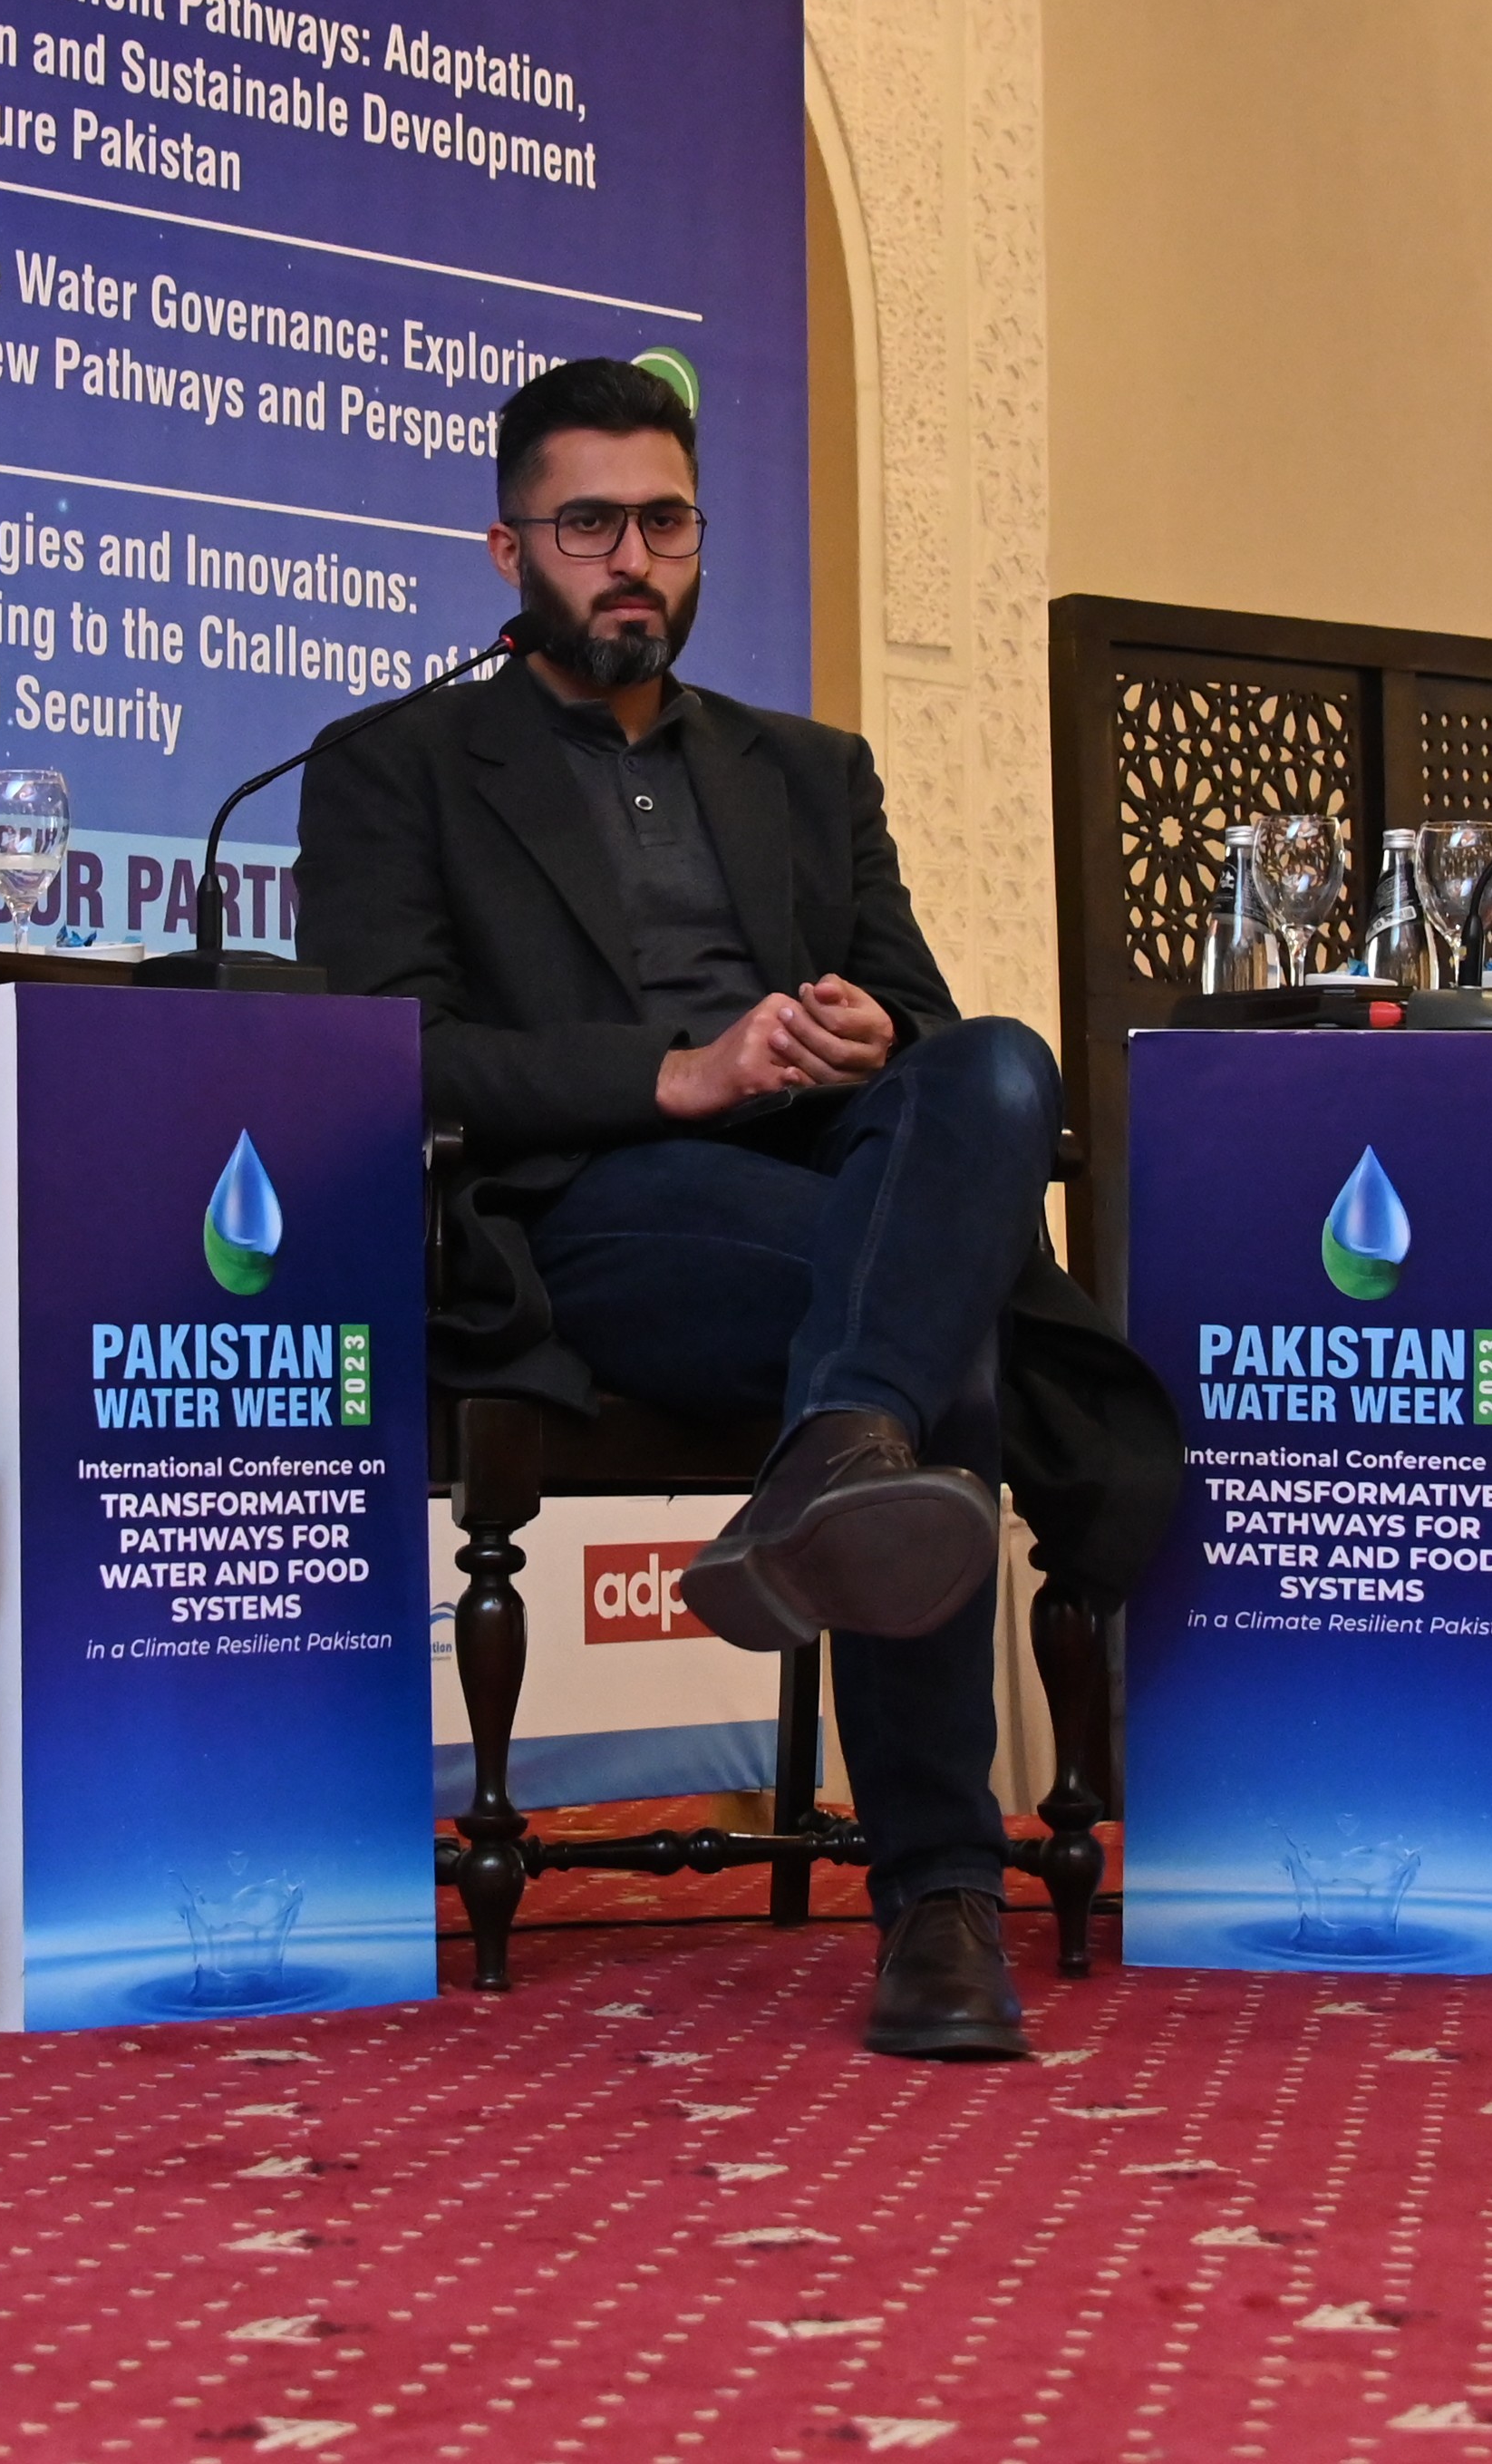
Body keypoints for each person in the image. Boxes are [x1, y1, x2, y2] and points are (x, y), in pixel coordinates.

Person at [298, 356, 1171, 2061]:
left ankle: (841, 1452)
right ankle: (939, 1900)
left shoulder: (808, 768)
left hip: (822, 1189)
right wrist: (671, 1074)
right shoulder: (391, 764)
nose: (634, 559)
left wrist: (869, 1035)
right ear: (507, 550)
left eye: (668, 522)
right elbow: (396, 1059)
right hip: (597, 1220)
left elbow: (920, 1024)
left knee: (996, 1059)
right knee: (952, 1348)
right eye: (591, 524)